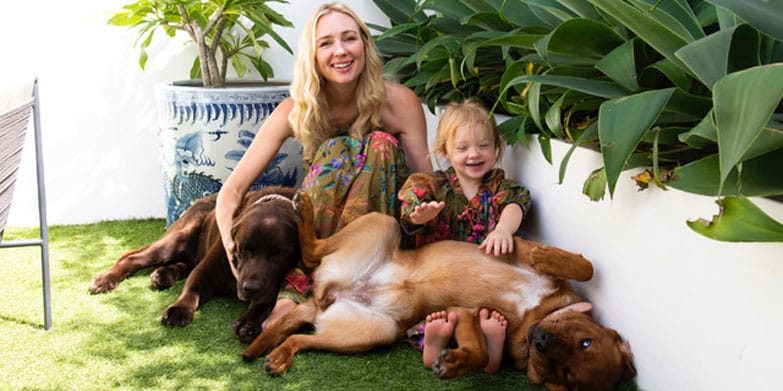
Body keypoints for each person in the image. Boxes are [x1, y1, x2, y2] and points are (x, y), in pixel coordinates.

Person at [215, 2, 432, 330]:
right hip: (320, 238)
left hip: (378, 241)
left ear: (365, 45)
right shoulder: (296, 109)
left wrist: (422, 208)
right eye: (326, 43)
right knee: (334, 149)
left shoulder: (400, 102)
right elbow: (231, 191)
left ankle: (325, 294)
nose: (341, 51)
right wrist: (231, 247)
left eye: (349, 39)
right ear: (312, 55)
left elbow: (425, 179)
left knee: (380, 144)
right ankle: (325, 291)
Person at [397, 99, 532, 373]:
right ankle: (436, 343)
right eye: (462, 148)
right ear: (445, 150)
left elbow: (516, 202)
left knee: (490, 316)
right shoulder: (435, 185)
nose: (474, 154)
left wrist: (504, 229)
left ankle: (491, 349)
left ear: (496, 148)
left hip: (482, 283)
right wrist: (418, 216)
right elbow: (411, 202)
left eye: (483, 146)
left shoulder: (498, 186)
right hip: (441, 280)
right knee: (440, 315)